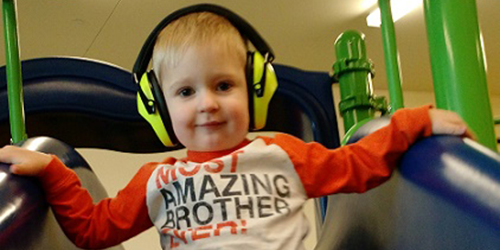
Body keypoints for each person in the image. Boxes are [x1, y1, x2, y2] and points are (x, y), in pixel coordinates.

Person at [0, 4, 473, 250]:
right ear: (159, 108)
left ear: (254, 91)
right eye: (185, 93)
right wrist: (50, 170)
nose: (207, 104)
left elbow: (359, 164)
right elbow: (93, 228)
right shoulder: (158, 182)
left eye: (224, 85)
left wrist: (415, 121)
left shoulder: (282, 153)